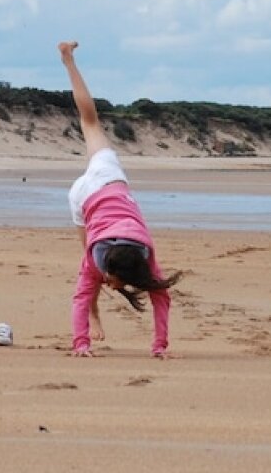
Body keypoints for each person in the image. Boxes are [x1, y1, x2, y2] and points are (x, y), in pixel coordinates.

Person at [60, 40, 182, 358]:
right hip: (92, 191)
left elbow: (161, 298)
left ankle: (68, 60)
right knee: (87, 281)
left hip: (99, 187)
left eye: (113, 281)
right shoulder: (112, 258)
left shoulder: (142, 259)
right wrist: (80, 344)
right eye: (114, 280)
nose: (114, 285)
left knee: (90, 122)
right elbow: (160, 299)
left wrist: (160, 346)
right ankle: (94, 315)